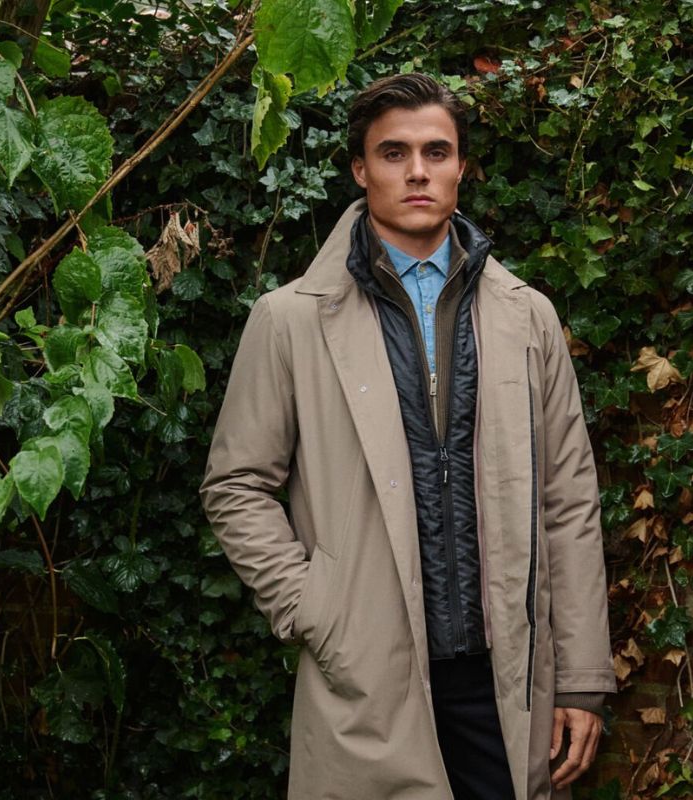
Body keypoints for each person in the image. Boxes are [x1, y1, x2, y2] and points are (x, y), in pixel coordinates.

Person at [200, 73, 615, 799]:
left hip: (504, 680)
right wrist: (315, 608)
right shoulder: (290, 320)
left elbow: (569, 500)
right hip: (367, 672)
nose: (417, 171)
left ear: (461, 167)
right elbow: (237, 485)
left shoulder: (528, 318)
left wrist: (581, 678)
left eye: (436, 151)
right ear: (361, 171)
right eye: (393, 153)